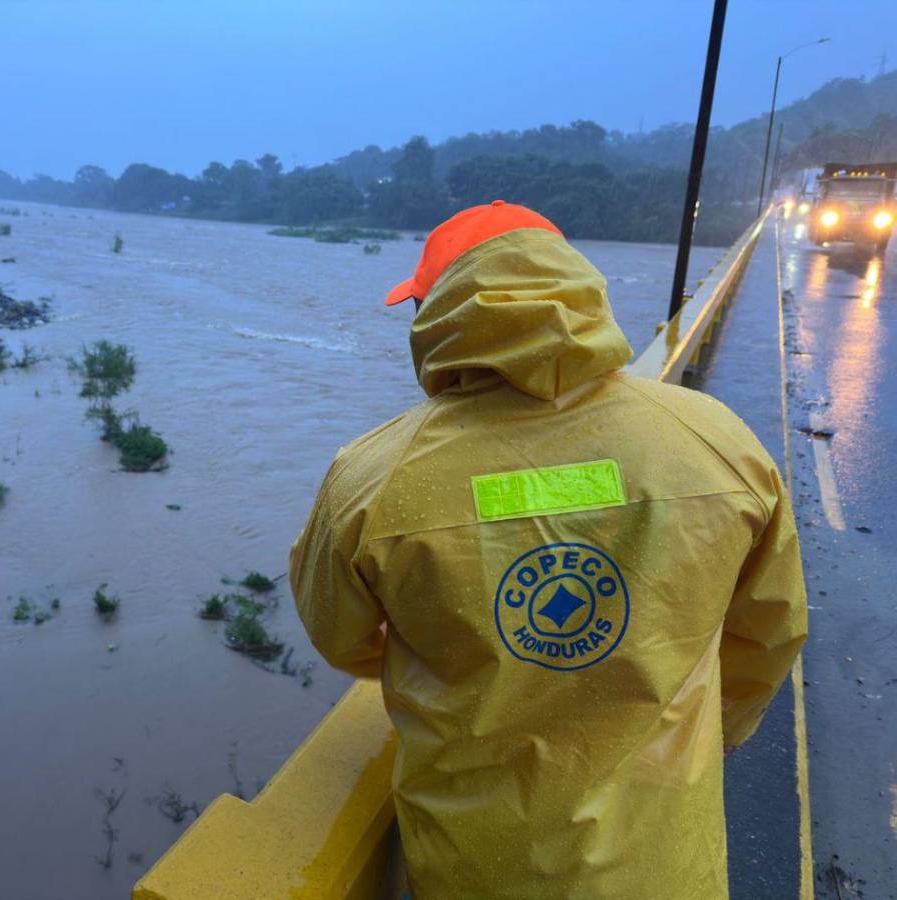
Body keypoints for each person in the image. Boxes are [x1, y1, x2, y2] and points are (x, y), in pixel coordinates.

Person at [289, 201, 807, 900]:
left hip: (476, 868)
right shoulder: (717, 444)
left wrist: (466, 661)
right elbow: (768, 629)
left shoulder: (373, 479)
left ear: (437, 313)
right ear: (580, 289)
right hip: (664, 865)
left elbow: (340, 635)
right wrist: (718, 725)